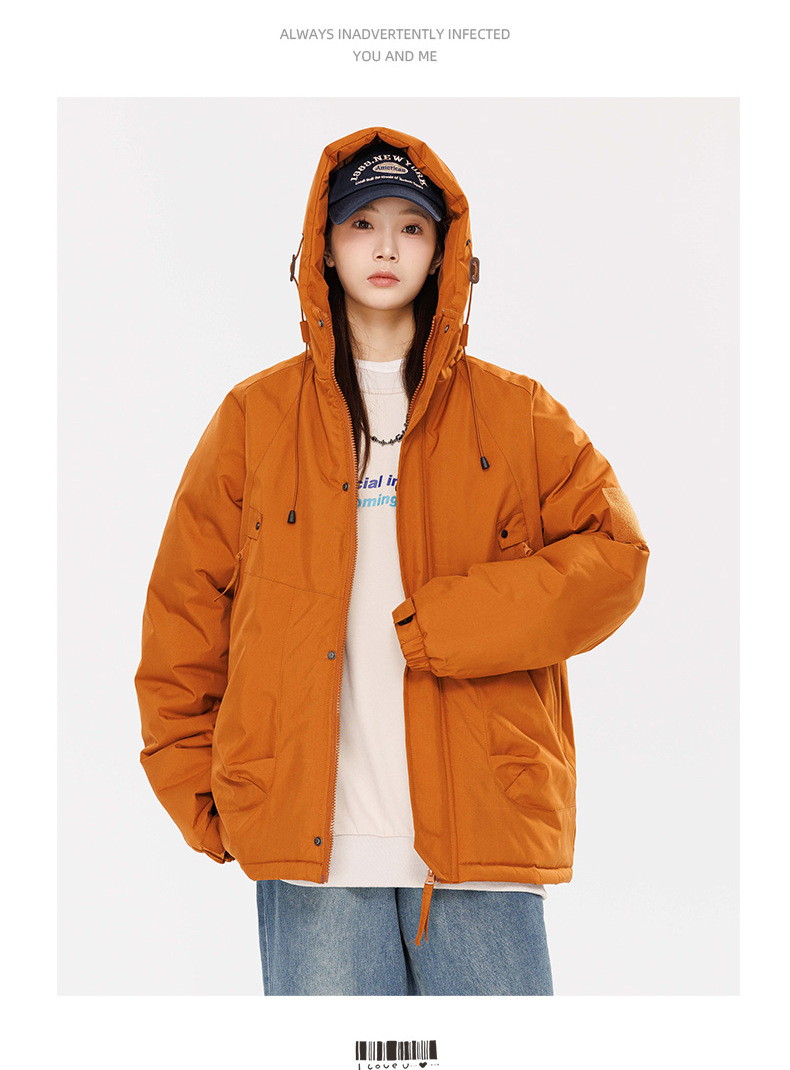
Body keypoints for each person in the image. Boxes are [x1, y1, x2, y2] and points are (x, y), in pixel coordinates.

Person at [134, 127, 650, 997]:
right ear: (324, 248)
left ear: (444, 251)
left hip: (482, 842)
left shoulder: (515, 414)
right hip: (313, 854)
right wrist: (206, 792)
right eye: (361, 224)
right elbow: (183, 611)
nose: (384, 247)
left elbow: (616, 556)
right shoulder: (255, 419)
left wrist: (454, 623)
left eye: (410, 227)